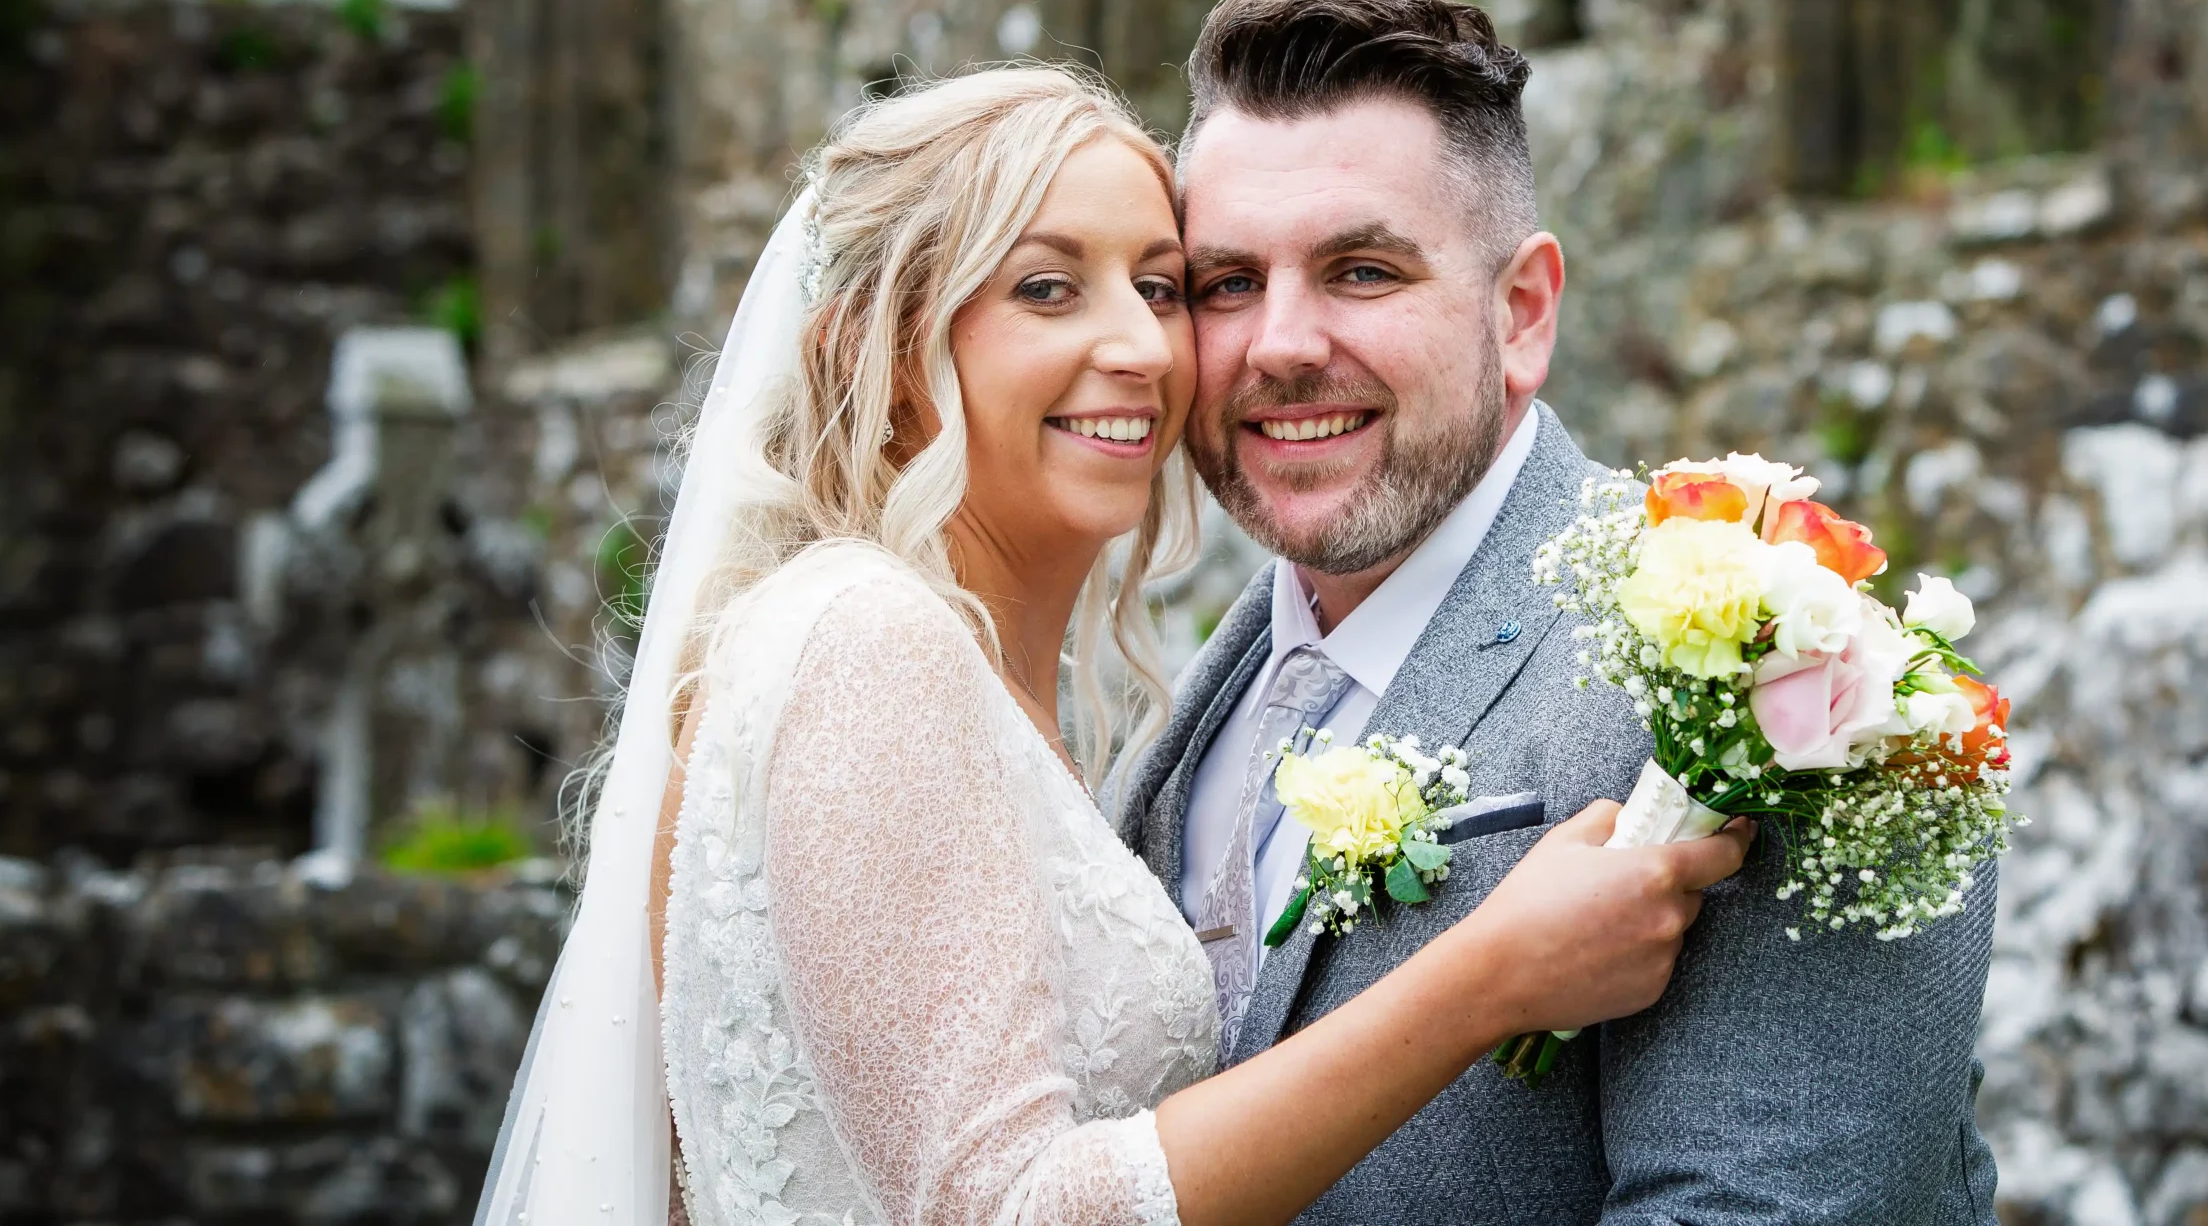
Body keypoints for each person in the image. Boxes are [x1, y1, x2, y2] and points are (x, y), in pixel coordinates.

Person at [473, 65, 1754, 1226]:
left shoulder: (1027, 691)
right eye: (1046, 286)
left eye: (1157, 286)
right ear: (881, 351)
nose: (1143, 346)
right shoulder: (867, 642)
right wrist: (1484, 978)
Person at [1119, 0, 2001, 1224]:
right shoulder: (1192, 690)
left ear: (1521, 312)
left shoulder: (1789, 688)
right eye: (1224, 284)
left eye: (1361, 271)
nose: (1279, 344)